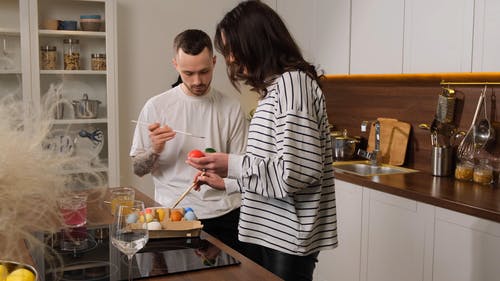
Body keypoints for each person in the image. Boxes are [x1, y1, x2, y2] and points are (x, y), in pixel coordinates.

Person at [186, 2, 338, 281]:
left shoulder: (294, 85)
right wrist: (228, 181)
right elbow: (275, 171)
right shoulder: (277, 88)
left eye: (233, 48)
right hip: (271, 233)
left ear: (256, 42)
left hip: (286, 238)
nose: (230, 59)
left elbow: (295, 174)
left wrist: (230, 164)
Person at [130, 29, 249, 252]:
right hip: (173, 215)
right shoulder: (156, 107)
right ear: (175, 65)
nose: (197, 81)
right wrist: (155, 150)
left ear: (214, 62)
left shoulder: (231, 108)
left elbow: (243, 168)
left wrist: (220, 171)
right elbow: (137, 169)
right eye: (188, 73)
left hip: (225, 215)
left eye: (204, 71)